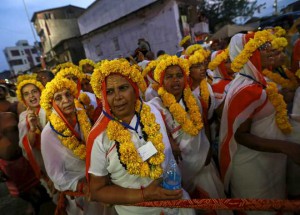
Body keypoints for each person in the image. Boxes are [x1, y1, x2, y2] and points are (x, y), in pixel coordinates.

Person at [86, 59, 195, 215]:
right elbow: (97, 191)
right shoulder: (99, 137)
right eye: (109, 91)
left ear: (134, 88)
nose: (117, 97)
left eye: (123, 88)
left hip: (177, 202)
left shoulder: (152, 111)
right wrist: (145, 195)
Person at [219, 31, 300, 215]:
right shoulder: (247, 89)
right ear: (248, 54)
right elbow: (241, 136)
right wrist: (286, 147)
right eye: (262, 47)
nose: (270, 50)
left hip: (269, 161)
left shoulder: (256, 81)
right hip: (254, 168)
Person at [149, 56, 231, 215]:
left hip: (203, 164)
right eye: (169, 77)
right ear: (161, 80)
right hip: (177, 171)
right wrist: (170, 140)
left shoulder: (194, 100)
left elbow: (204, 124)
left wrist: (207, 150)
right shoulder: (154, 107)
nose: (175, 81)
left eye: (179, 76)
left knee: (215, 206)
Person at [40, 77, 109, 215]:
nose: (66, 100)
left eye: (68, 94)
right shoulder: (48, 134)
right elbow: (56, 175)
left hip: (100, 178)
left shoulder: (82, 115)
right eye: (58, 98)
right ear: (52, 104)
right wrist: (82, 187)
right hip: (80, 192)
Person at [0, 112, 53, 214]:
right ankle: (35, 206)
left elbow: (26, 127)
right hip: (9, 169)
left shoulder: (10, 115)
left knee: (44, 189)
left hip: (28, 161)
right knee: (27, 195)